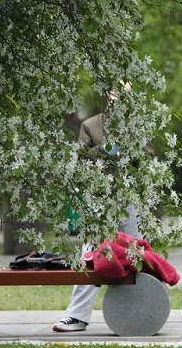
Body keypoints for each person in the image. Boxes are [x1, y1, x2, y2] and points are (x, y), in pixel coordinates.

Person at [52, 110, 141, 332]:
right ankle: (77, 316)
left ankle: (144, 309)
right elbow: (79, 160)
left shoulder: (137, 123)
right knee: (92, 252)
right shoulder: (90, 125)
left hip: (129, 196)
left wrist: (131, 152)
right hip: (99, 198)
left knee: (137, 251)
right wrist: (103, 150)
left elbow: (147, 156)